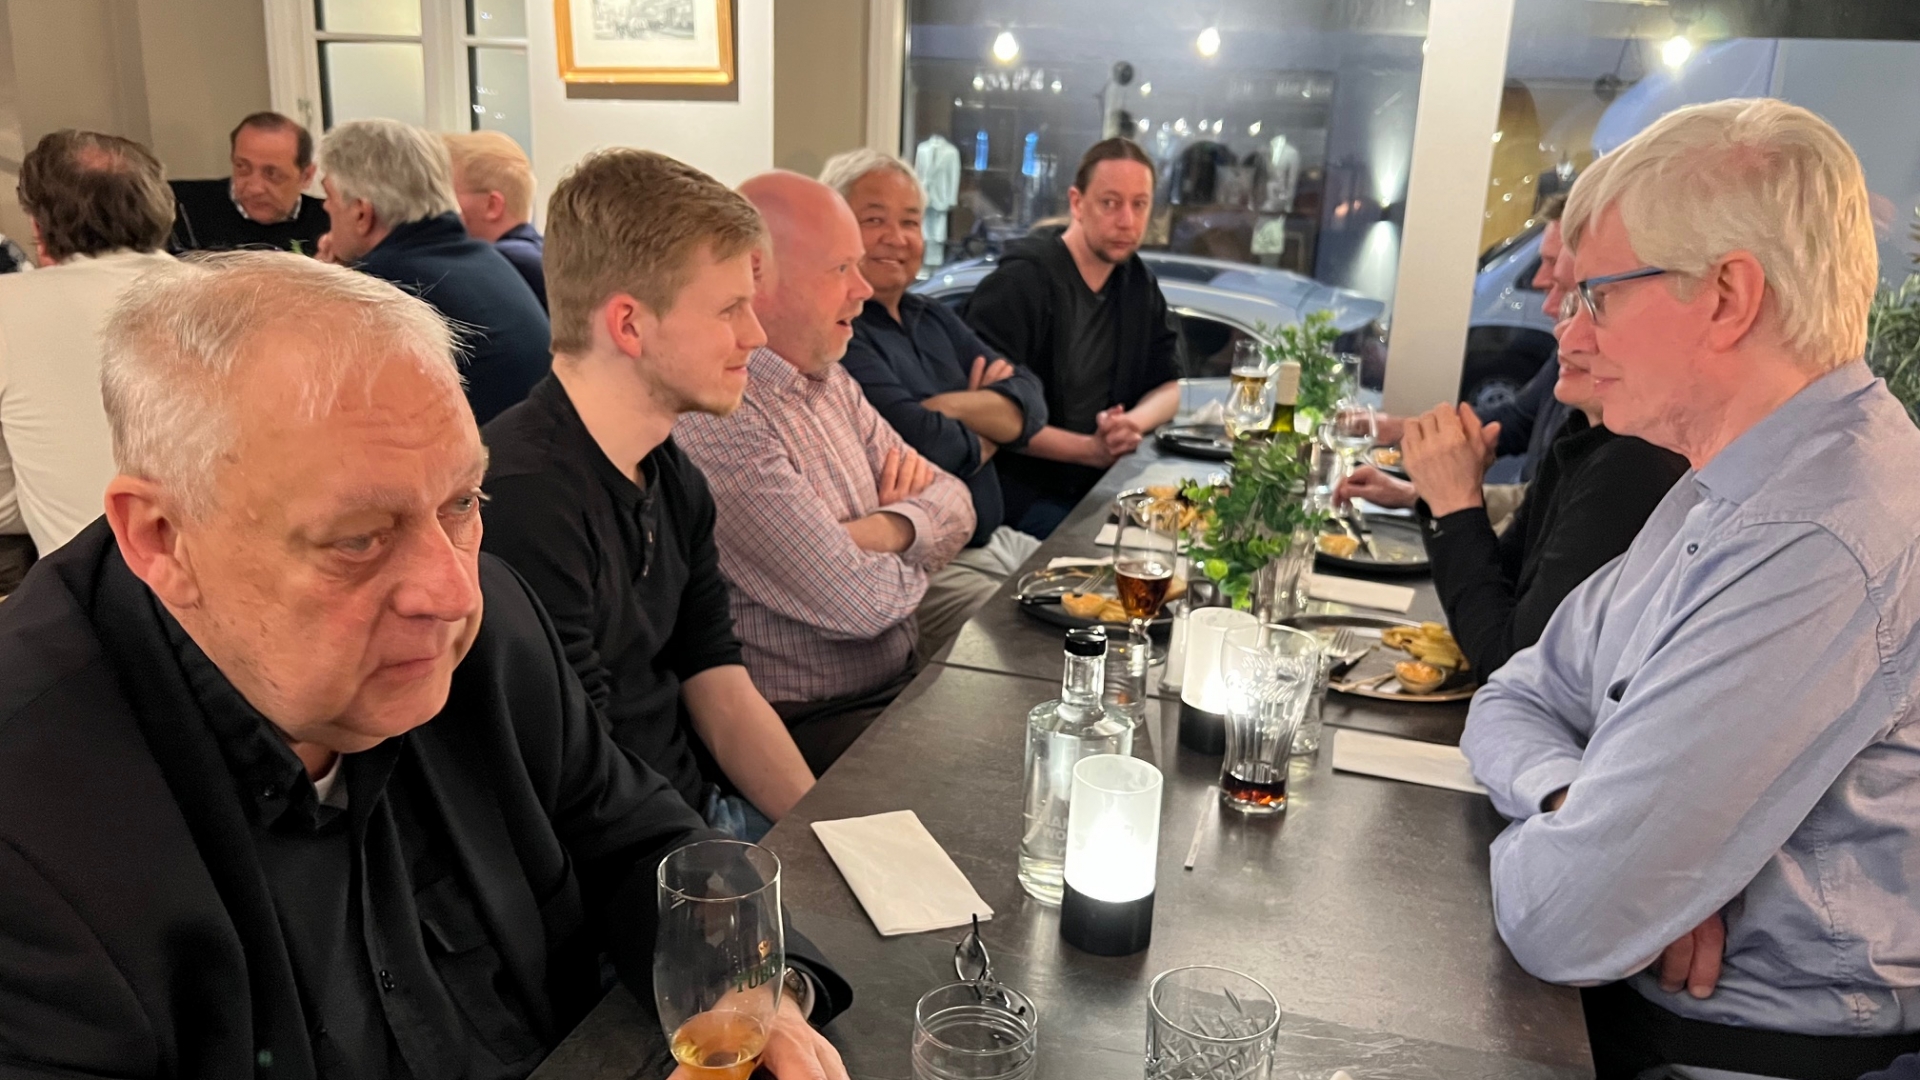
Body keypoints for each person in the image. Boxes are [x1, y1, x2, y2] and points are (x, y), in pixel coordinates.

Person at [0, 251, 851, 1079]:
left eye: (461, 502)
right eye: (359, 539)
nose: (451, 591)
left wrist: (753, 995)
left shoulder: (491, 623)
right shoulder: (31, 828)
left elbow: (637, 837)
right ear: (161, 538)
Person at [1460, 99, 1920, 1077]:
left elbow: (1562, 915)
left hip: (1738, 1057)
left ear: (1727, 297)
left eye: (1600, 297)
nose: (1572, 333)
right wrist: (1575, 800)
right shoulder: (1727, 486)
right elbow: (1517, 693)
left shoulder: (1818, 534)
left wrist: (1612, 864)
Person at [482, 149, 816, 842]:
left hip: (695, 817)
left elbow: (720, 686)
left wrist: (834, 836)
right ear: (629, 324)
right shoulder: (524, 499)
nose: (755, 335)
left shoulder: (671, 473)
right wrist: (719, 871)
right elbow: (579, 780)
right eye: (730, 309)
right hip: (635, 860)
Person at [676, 172, 974, 771]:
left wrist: (884, 528)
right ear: (758, 276)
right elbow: (857, 606)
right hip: (809, 725)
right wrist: (919, 538)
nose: (863, 289)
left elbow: (958, 500)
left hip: (893, 686)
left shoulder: (829, 379)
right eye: (841, 268)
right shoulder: (722, 413)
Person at [1337, 196, 1687, 680]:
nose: (1561, 331)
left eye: (1590, 303)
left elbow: (1506, 664)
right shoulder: (1582, 436)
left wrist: (1454, 504)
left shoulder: (1632, 465)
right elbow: (1498, 590)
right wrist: (1438, 492)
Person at [823, 148, 1047, 659]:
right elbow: (924, 442)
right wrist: (988, 417)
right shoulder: (841, 333)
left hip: (997, 539)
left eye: (910, 222)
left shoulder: (933, 315)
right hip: (929, 568)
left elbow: (1032, 404)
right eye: (874, 220)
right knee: (1034, 647)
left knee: (1103, 591)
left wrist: (948, 406)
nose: (896, 237)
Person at [962, 137, 1181, 537]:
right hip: (1023, 497)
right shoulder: (1021, 282)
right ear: (1077, 203)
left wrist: (1127, 425)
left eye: (1139, 204)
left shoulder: (1137, 283)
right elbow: (986, 411)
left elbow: (1169, 386)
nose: (1127, 221)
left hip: (1103, 485)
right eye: (1110, 203)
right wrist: (1089, 450)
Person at [0, 130, 178, 589]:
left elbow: (2, 505)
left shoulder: (7, 306)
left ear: (38, 225)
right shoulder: (231, 295)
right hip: (243, 582)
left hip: (95, 595)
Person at [318, 118, 550, 424]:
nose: (325, 208)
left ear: (362, 213)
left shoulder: (384, 288)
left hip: (485, 451)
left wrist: (321, 289)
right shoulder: (483, 258)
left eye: (329, 196)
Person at [169, 111, 331, 255]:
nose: (255, 188)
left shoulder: (332, 223)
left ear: (306, 176)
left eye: (272, 174)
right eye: (242, 167)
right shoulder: (179, 209)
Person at [445, 130, 547, 310]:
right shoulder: (541, 254)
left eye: (448, 195)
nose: (441, 206)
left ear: (493, 205)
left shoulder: (503, 262)